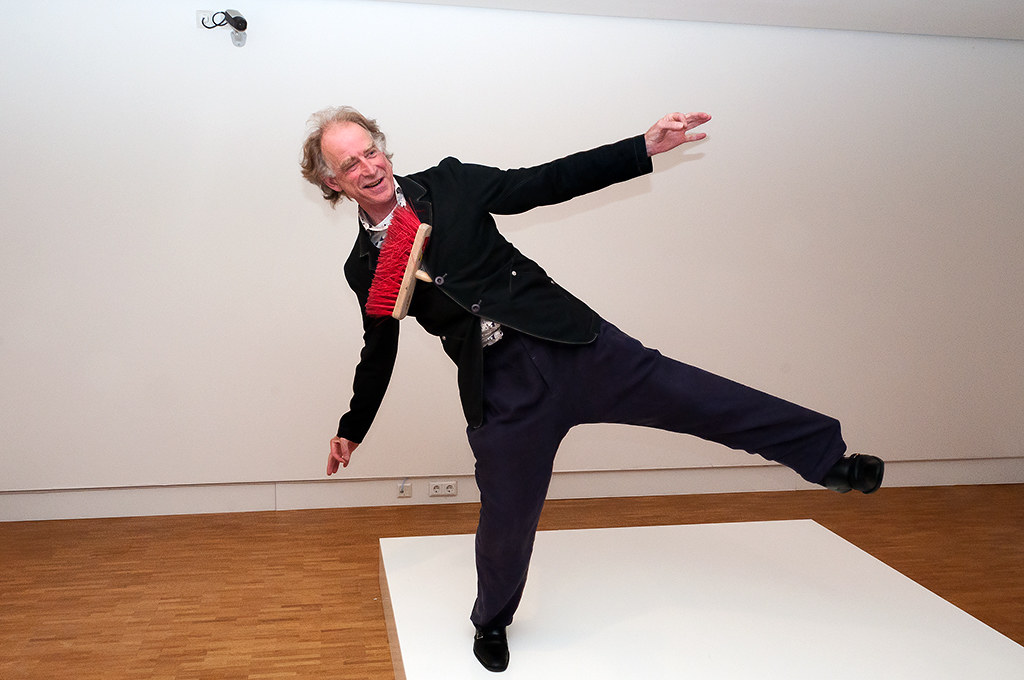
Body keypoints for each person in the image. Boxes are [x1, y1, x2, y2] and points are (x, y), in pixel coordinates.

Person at [300, 107, 884, 673]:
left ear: (383, 149)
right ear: (333, 182)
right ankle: (492, 621)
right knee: (506, 514)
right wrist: (353, 427)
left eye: (371, 152)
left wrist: (642, 147)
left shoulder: (450, 183)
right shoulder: (363, 266)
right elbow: (379, 349)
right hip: (500, 386)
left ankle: (829, 460)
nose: (369, 168)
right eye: (350, 165)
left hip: (573, 344)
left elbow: (547, 181)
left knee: (699, 397)